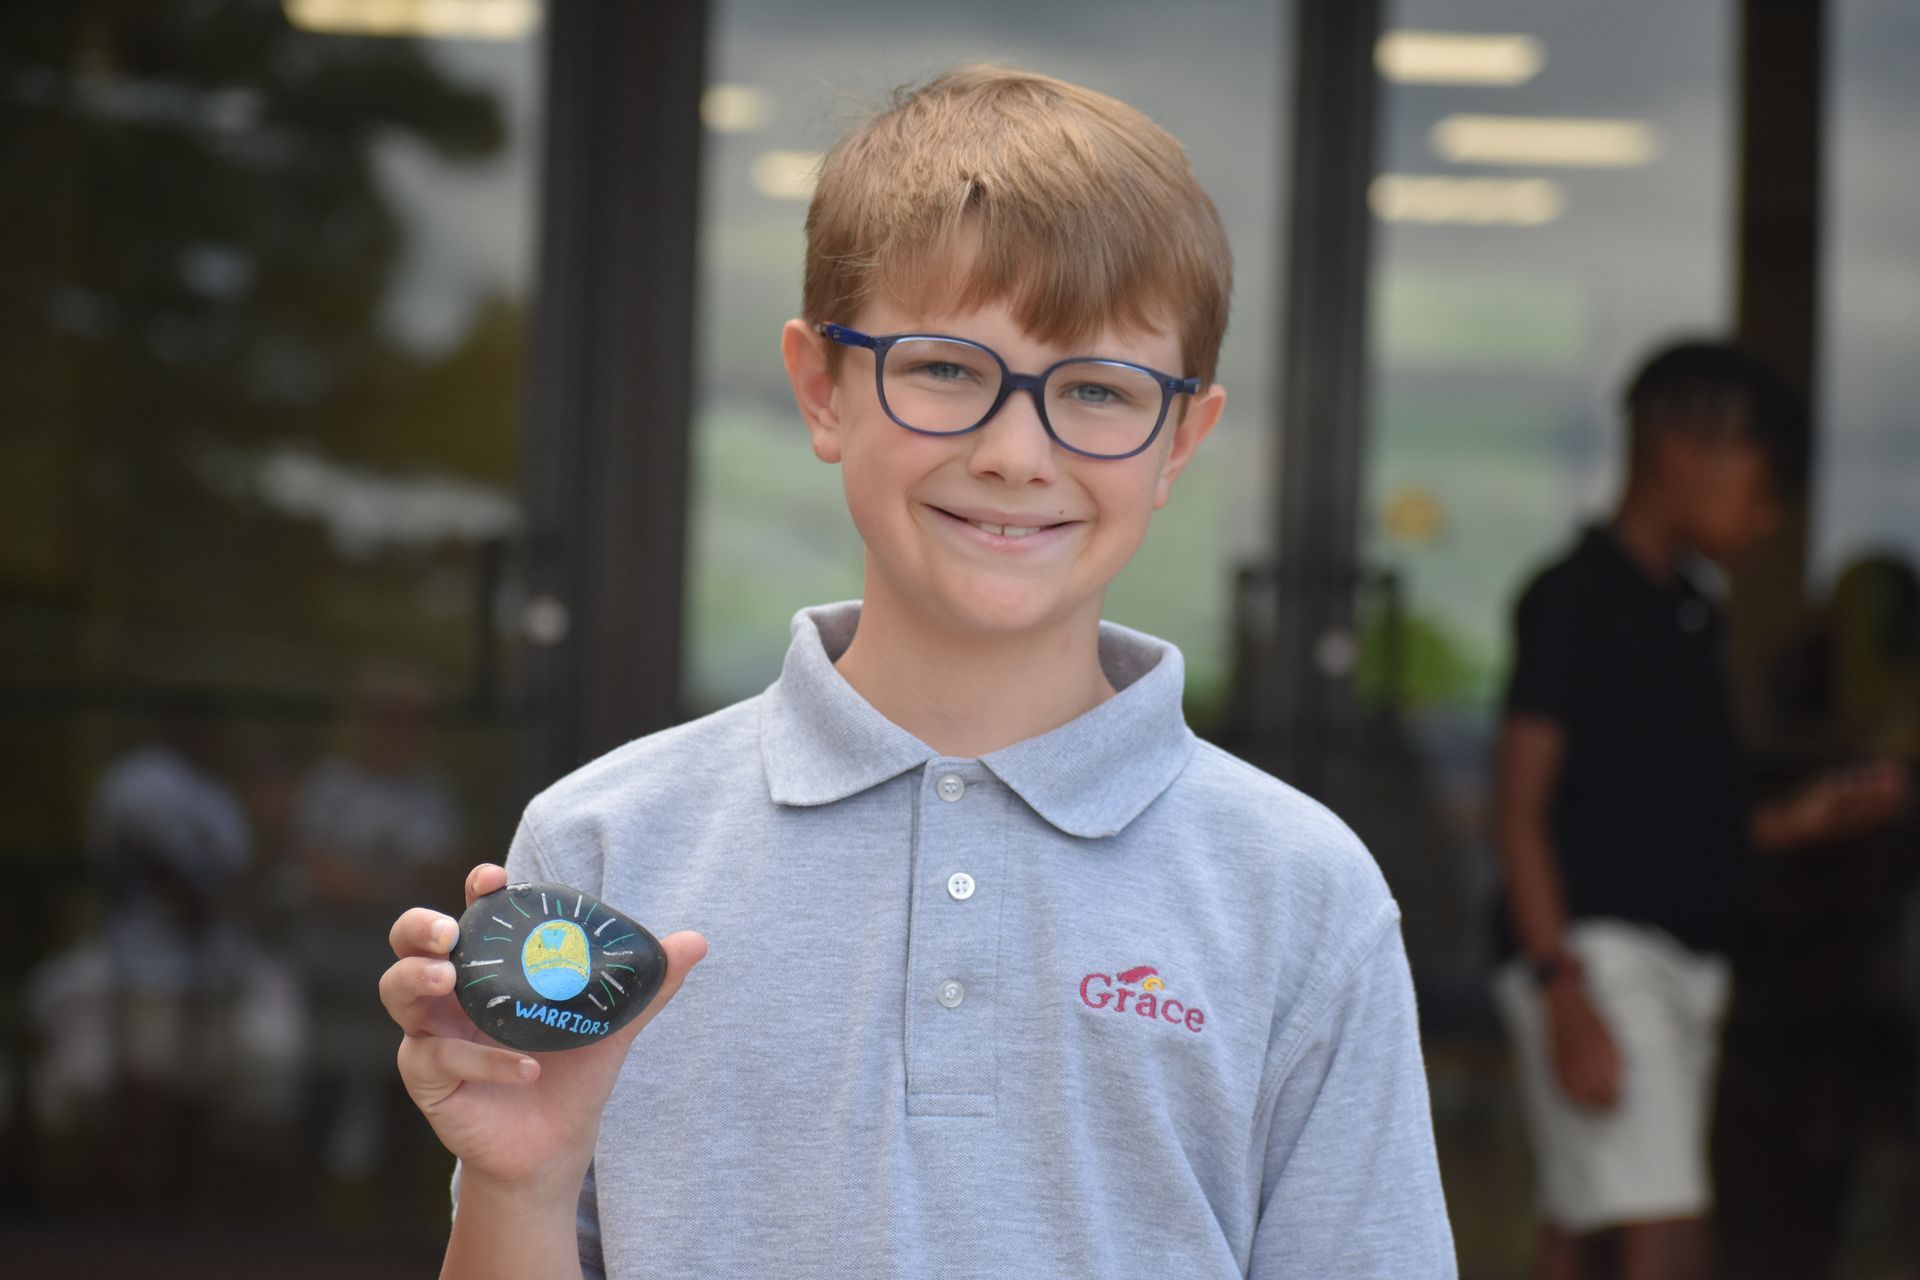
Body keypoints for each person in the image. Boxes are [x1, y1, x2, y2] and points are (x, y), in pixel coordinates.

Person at [380, 66, 1456, 1278]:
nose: (1014, 452)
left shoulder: (1299, 891)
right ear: (820, 386)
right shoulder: (605, 849)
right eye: (946, 369)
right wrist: (519, 1188)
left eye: (1098, 390)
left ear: (1180, 441)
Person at [1491, 340, 1913, 1280]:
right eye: (1764, 487)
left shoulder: (1692, 612)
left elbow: (1670, 821)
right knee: (1667, 1232)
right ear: (1689, 448)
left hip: (1677, 962)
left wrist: (1802, 821)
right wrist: (1565, 990)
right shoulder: (1572, 602)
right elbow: (1517, 811)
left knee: (1586, 1217)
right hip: (1598, 959)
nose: (1768, 521)